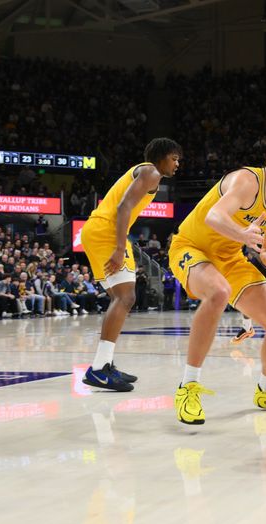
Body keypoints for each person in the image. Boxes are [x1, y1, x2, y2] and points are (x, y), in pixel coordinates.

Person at [168, 131, 266, 425]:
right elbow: (214, 217)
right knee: (218, 293)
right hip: (191, 247)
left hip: (230, 257)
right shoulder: (246, 181)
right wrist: (242, 235)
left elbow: (265, 252)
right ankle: (187, 387)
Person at [80, 138, 182, 391]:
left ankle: (104, 363)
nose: (178, 163)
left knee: (120, 297)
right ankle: (100, 370)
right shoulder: (151, 171)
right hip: (106, 232)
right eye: (175, 158)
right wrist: (118, 248)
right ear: (161, 157)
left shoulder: (146, 172)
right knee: (126, 298)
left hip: (98, 230)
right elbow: (124, 206)